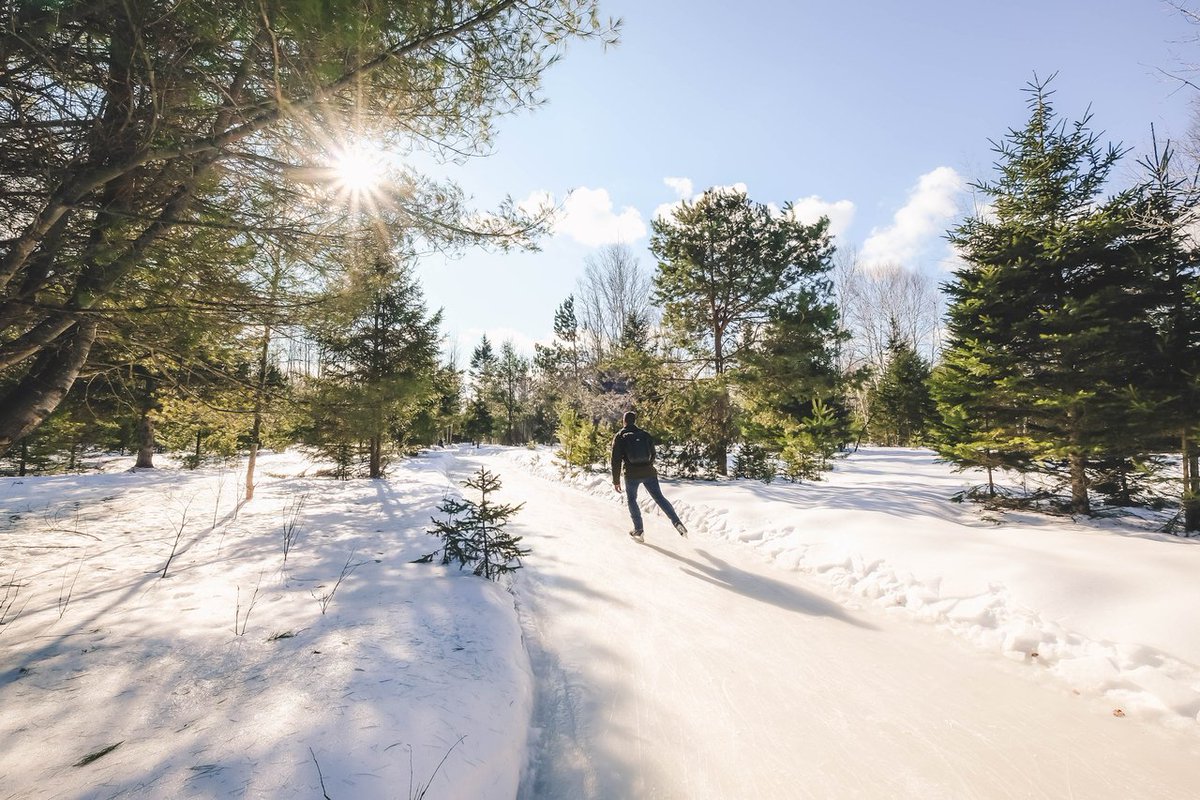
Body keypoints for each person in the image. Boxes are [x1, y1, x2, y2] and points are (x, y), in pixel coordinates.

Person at [611, 410, 687, 542]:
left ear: (624, 421)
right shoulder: (645, 434)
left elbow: (615, 460)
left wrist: (616, 480)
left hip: (631, 474)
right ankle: (677, 522)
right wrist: (647, 465)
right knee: (659, 498)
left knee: (632, 500)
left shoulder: (620, 436)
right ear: (635, 421)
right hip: (649, 472)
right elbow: (653, 453)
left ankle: (639, 530)